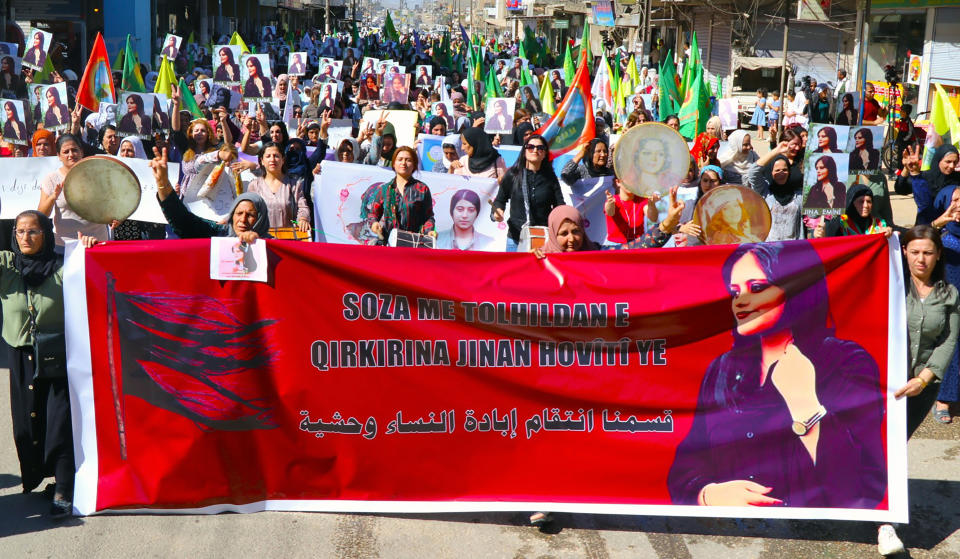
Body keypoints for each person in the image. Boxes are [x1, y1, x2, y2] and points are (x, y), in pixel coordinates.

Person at [667, 241, 886, 508]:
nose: (740, 301)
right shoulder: (722, 369)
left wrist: (807, 408)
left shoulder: (844, 362)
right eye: (735, 292)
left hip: (805, 538)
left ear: (795, 291)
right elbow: (685, 468)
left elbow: (862, 484)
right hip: (732, 537)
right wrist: (709, 494)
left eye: (757, 288)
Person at [4, 210, 98, 518]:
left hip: (59, 354)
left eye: (33, 231)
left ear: (47, 233)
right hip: (21, 357)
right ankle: (43, 476)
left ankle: (63, 488)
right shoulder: (7, 268)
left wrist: (91, 249)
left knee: (59, 424)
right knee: (26, 426)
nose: (26, 238)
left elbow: (96, 269)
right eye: (20, 232)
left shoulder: (64, 264)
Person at [876, 226, 960, 554]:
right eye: (914, 251)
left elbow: (948, 341)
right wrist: (880, 240)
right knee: (878, 445)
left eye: (927, 252)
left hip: (920, 388)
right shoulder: (891, 284)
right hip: (883, 383)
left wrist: (924, 378)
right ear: (904, 252)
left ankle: (886, 522)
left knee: (895, 447)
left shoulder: (950, 295)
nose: (920, 259)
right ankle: (880, 516)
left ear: (939, 254)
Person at [492, 134, 565, 251]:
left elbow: (559, 205)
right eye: (530, 147)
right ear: (524, 151)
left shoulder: (550, 178)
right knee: (514, 270)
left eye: (540, 148)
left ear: (545, 153)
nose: (535, 150)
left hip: (542, 240)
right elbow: (500, 200)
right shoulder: (512, 174)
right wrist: (497, 212)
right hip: (516, 239)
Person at [36, 134, 110, 245]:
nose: (71, 155)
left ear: (82, 152)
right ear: (59, 156)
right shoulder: (51, 179)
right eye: (66, 152)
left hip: (96, 242)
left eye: (74, 150)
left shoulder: (97, 176)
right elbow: (41, 216)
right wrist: (53, 197)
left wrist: (114, 218)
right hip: (64, 245)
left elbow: (110, 205)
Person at [362, 147, 436, 245]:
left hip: (413, 244)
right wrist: (374, 223)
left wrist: (429, 231)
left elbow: (428, 217)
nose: (403, 163)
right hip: (388, 244)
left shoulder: (422, 189)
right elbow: (373, 214)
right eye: (400, 159)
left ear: (414, 165)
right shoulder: (384, 189)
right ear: (393, 163)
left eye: (408, 160)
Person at [244, 142, 311, 232]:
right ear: (262, 161)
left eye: (276, 156)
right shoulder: (254, 186)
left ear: (283, 160)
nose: (272, 159)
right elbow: (248, 211)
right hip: (262, 239)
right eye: (268, 156)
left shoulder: (294, 184)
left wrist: (303, 219)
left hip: (288, 238)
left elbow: (302, 207)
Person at [745, 151, 804, 241]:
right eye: (777, 170)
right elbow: (753, 172)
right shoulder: (764, 192)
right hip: (769, 249)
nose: (781, 173)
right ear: (771, 172)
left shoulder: (799, 195)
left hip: (793, 250)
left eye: (785, 170)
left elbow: (814, 214)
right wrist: (777, 150)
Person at [896, 145, 960, 226]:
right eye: (948, 162)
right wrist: (907, 168)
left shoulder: (957, 178)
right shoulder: (925, 176)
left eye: (955, 162)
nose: (952, 166)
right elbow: (900, 189)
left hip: (950, 228)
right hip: (926, 226)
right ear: (938, 160)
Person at [814, 184, 892, 238]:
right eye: (861, 202)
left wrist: (888, 233)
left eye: (869, 201)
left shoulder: (879, 224)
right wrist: (822, 235)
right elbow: (828, 247)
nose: (865, 206)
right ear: (852, 203)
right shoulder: (839, 224)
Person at [534, 205, 600, 256]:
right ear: (553, 235)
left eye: (575, 231)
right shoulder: (542, 257)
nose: (571, 239)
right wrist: (531, 258)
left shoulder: (598, 253)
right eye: (564, 233)